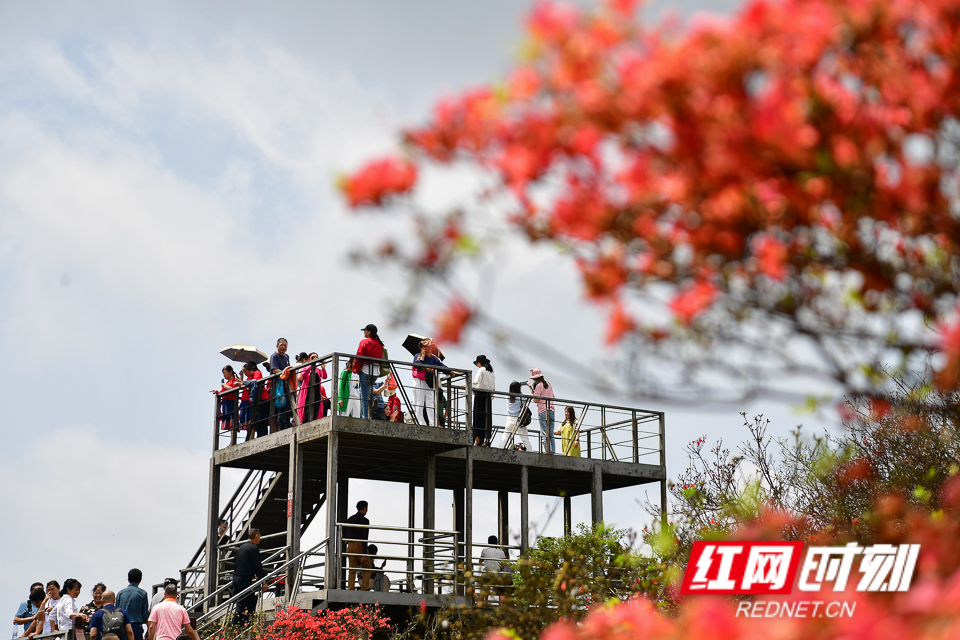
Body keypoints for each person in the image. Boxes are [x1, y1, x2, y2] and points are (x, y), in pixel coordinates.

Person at [232, 529, 263, 626]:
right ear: (257, 535)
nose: (260, 539)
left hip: (237, 578)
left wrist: (250, 572)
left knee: (251, 600)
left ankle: (245, 623)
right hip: (244, 579)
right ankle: (234, 626)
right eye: (260, 536)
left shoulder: (242, 547)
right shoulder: (253, 548)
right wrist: (263, 581)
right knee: (241, 604)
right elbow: (257, 565)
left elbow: (237, 562)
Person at [354, 324, 385, 419]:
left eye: (365, 330)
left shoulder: (364, 342)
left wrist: (356, 369)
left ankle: (365, 416)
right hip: (375, 372)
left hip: (365, 370)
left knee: (364, 394)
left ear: (369, 332)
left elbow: (359, 356)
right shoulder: (379, 344)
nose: (364, 332)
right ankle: (371, 405)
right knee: (368, 390)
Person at [412, 340, 445, 426]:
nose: (430, 349)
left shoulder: (433, 358)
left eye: (431, 348)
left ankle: (432, 423)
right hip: (420, 380)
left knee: (431, 402)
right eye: (428, 348)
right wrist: (422, 356)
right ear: (423, 348)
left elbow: (441, 366)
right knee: (419, 402)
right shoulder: (417, 356)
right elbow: (417, 365)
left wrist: (451, 371)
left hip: (429, 381)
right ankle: (420, 422)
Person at [343, 501, 373, 590]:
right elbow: (364, 537)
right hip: (359, 546)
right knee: (367, 567)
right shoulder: (365, 521)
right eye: (366, 508)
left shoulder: (350, 519)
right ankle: (364, 588)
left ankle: (351, 588)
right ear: (364, 508)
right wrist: (364, 553)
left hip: (350, 546)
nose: (367, 510)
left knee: (352, 570)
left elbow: (343, 532)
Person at [527, 368, 556, 454]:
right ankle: (552, 451)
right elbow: (553, 397)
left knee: (544, 432)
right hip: (551, 410)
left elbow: (536, 399)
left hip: (543, 411)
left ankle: (547, 451)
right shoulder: (548, 384)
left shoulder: (539, 385)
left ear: (535, 378)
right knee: (551, 433)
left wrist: (531, 393)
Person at [116, 569, 149, 640]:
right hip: (136, 626)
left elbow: (116, 611)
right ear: (140, 580)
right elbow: (145, 614)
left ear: (128, 579)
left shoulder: (120, 593)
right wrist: (148, 628)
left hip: (122, 626)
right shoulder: (142, 593)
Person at [500, 381, 533, 451]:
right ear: (519, 389)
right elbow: (532, 395)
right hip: (519, 420)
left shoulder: (507, 397)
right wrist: (529, 386)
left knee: (505, 437)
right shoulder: (522, 397)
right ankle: (530, 453)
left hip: (509, 420)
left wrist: (518, 385)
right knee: (525, 439)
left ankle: (498, 451)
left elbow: (513, 389)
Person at [296, 353, 328, 423]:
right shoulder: (305, 367)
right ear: (308, 359)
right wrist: (311, 365)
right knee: (306, 409)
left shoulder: (317, 369)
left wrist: (323, 367)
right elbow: (302, 376)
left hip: (316, 392)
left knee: (316, 408)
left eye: (316, 357)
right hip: (307, 392)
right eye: (312, 357)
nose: (315, 359)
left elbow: (324, 376)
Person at [241, 362, 269, 439]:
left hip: (262, 399)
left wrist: (243, 382)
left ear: (249, 370)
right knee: (257, 419)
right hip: (256, 401)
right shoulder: (249, 377)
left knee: (262, 419)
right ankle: (260, 435)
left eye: (245, 371)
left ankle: (263, 435)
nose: (245, 373)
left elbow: (255, 382)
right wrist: (241, 379)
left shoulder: (257, 373)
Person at [472, 355, 496, 446]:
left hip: (480, 395)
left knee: (478, 417)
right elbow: (493, 387)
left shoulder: (481, 370)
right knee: (487, 418)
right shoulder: (492, 372)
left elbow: (476, 382)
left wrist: (467, 386)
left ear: (479, 363)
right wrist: (492, 396)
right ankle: (487, 440)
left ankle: (477, 440)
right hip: (488, 396)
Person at [212, 366, 241, 432]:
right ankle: (232, 440)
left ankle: (233, 439)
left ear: (230, 371)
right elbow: (222, 392)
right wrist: (217, 391)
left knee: (232, 421)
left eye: (225, 372)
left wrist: (226, 387)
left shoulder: (235, 380)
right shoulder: (227, 382)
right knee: (229, 423)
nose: (224, 374)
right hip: (226, 403)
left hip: (231, 402)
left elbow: (234, 389)